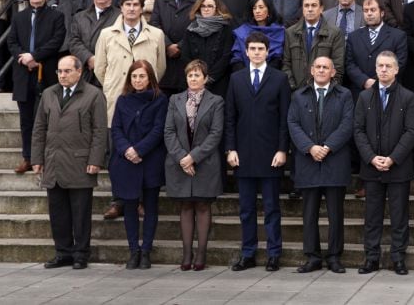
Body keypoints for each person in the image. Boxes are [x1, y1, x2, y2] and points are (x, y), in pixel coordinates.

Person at [30, 55, 107, 270]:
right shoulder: (48, 94)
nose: (62, 75)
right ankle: (62, 252)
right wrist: (36, 158)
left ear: (79, 71)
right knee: (58, 212)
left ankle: (81, 253)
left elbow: (100, 132)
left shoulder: (93, 95)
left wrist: (95, 159)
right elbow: (39, 128)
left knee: (81, 212)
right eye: (59, 71)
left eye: (66, 71)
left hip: (80, 162)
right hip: (54, 161)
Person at [226, 32, 291, 272]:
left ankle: (274, 253)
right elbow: (230, 117)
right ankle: (248, 253)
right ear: (246, 51)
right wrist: (230, 149)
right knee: (246, 209)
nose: (255, 53)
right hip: (243, 154)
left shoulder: (279, 79)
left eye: (260, 49)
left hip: (271, 154)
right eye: (252, 49)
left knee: (272, 207)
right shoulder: (237, 79)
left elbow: (285, 118)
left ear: (268, 51)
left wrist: (283, 149)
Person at [353, 51, 414, 276]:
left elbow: (412, 131)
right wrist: (372, 157)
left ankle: (398, 258)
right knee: (372, 216)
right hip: (371, 168)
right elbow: (358, 130)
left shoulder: (408, 97)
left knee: (399, 215)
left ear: (396, 69)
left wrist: (393, 158)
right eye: (380, 66)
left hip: (398, 167)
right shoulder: (364, 97)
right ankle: (371, 258)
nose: (383, 70)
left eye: (388, 66)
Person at [288, 56, 355, 274]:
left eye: (326, 67)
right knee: (309, 213)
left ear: (333, 72)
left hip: (334, 161)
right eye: (318, 67)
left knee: (336, 213)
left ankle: (334, 256)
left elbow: (348, 124)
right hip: (308, 161)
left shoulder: (344, 95)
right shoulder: (299, 96)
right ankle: (313, 257)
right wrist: (310, 147)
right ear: (311, 70)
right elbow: (293, 123)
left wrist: (328, 147)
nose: (321, 70)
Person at [164, 59, 225, 271]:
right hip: (179, 163)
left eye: (197, 75)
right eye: (190, 75)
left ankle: (201, 254)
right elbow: (169, 131)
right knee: (185, 206)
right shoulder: (175, 99)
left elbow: (216, 133)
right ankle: (187, 253)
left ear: (205, 78)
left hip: (205, 163)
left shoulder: (216, 101)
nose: (193, 78)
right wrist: (182, 157)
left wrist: (194, 157)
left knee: (202, 205)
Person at [109, 60, 168, 270]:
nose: (138, 80)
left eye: (142, 76)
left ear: (150, 77)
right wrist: (127, 150)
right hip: (126, 161)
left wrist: (140, 150)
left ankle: (146, 251)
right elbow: (116, 128)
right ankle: (133, 250)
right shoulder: (123, 100)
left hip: (150, 160)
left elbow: (158, 129)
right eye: (134, 77)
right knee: (130, 206)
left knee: (151, 206)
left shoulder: (160, 100)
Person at [8, 0, 66, 174]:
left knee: (46, 118)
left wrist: (35, 56)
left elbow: (56, 41)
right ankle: (28, 157)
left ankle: (45, 157)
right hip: (23, 74)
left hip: (46, 73)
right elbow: (12, 41)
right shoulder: (19, 17)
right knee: (26, 119)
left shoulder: (56, 16)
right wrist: (24, 59)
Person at [94, 0, 167, 126]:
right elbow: (99, 68)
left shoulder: (157, 35)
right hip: (116, 92)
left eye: (135, 5)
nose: (131, 8)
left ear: (142, 9)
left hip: (147, 95)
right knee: (116, 135)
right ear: (121, 8)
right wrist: (112, 83)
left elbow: (160, 67)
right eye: (128, 4)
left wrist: (146, 83)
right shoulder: (106, 34)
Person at [148, 0, 199, 94]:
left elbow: (199, 25)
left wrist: (180, 46)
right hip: (165, 59)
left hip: (188, 58)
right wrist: (168, 45)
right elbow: (154, 24)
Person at [345, 0, 407, 98]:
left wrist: (378, 82)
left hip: (389, 93)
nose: (369, 13)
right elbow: (350, 64)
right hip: (360, 93)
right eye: (366, 10)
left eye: (373, 10)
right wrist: (365, 81)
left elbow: (400, 63)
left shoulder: (398, 36)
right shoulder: (353, 36)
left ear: (382, 13)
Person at [282, 0, 345, 90]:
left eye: (314, 5)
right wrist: (293, 87)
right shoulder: (290, 32)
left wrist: (327, 90)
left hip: (323, 92)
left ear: (321, 8)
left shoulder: (335, 33)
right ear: (302, 9)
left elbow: (337, 67)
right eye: (306, 6)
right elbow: (286, 64)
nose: (310, 9)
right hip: (296, 92)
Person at [68, 0, 120, 87]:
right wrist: (89, 58)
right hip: (85, 72)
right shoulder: (80, 16)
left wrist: (100, 61)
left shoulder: (120, 16)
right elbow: (74, 42)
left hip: (111, 73)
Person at [180, 0, 234, 97]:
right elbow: (185, 56)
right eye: (203, 6)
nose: (206, 9)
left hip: (219, 82)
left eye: (210, 6)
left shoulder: (226, 29)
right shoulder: (191, 29)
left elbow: (226, 56)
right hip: (195, 81)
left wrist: (210, 77)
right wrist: (198, 76)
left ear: (216, 8)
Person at [231, 0, 284, 71]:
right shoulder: (242, 31)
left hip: (271, 76)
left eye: (261, 7)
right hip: (244, 76)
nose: (257, 11)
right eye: (254, 8)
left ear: (269, 10)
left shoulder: (278, 32)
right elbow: (237, 58)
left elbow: (277, 58)